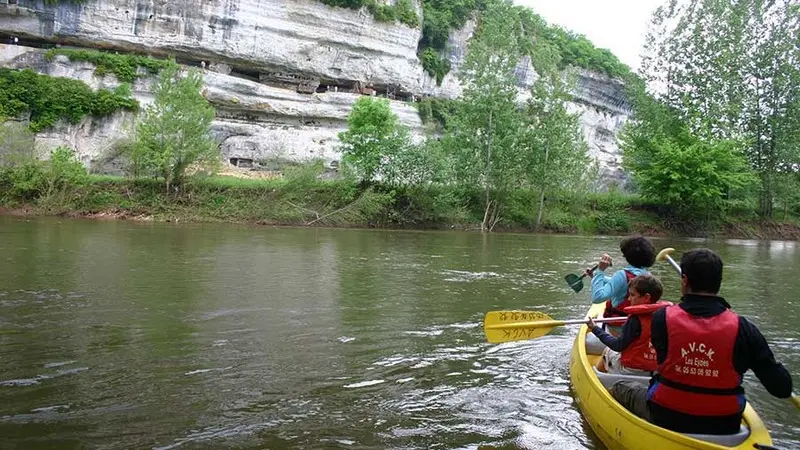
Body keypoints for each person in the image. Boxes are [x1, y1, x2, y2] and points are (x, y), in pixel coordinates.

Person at [610, 248, 793, 435]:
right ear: (719, 283)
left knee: (620, 388)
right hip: (725, 424)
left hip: (666, 415)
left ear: (684, 281)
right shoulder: (745, 329)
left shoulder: (661, 319)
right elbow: (782, 388)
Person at [587, 274, 671, 375]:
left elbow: (617, 346)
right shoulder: (665, 315)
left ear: (646, 297)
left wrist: (595, 329)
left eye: (632, 295)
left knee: (608, 351)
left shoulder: (635, 320)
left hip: (631, 370)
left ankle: (597, 377)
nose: (629, 299)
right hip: (655, 370)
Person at [585, 236, 656, 336]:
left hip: (617, 330)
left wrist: (600, 271)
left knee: (589, 337)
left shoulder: (621, 275)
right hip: (638, 328)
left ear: (627, 257)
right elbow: (617, 283)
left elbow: (597, 298)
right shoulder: (648, 276)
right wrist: (596, 276)